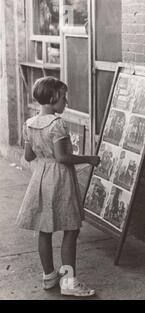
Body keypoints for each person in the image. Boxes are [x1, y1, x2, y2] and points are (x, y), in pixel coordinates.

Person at [16, 77, 101, 297]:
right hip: (60, 178)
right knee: (71, 229)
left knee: (44, 229)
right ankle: (69, 282)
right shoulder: (57, 123)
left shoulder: (29, 123)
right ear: (53, 98)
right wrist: (89, 158)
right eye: (64, 97)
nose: (66, 101)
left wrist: (42, 151)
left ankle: (49, 276)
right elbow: (63, 157)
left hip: (41, 178)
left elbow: (28, 155)